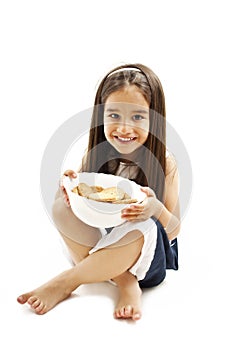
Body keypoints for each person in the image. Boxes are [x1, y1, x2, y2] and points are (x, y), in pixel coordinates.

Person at [17, 63, 180, 321]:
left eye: (137, 117)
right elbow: (81, 203)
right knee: (61, 202)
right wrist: (71, 188)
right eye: (114, 116)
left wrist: (155, 208)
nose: (124, 128)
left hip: (146, 260)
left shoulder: (166, 165)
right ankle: (123, 281)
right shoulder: (97, 158)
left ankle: (68, 281)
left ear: (154, 120)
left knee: (145, 223)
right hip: (106, 244)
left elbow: (173, 230)